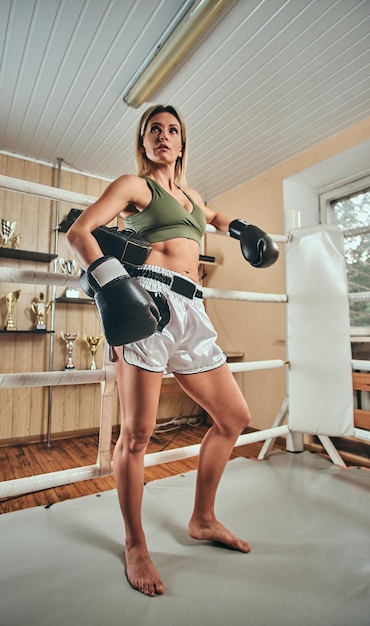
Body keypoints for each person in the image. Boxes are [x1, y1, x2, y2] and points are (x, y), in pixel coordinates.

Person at [65, 104, 278, 597]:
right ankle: (135, 543)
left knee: (233, 417)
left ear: (183, 144)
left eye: (173, 131)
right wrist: (112, 285)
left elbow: (214, 216)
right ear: (144, 143)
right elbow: (79, 232)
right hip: (148, 300)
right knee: (137, 433)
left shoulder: (192, 199)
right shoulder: (136, 186)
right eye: (154, 130)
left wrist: (242, 229)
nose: (163, 136)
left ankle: (202, 518)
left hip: (193, 310)